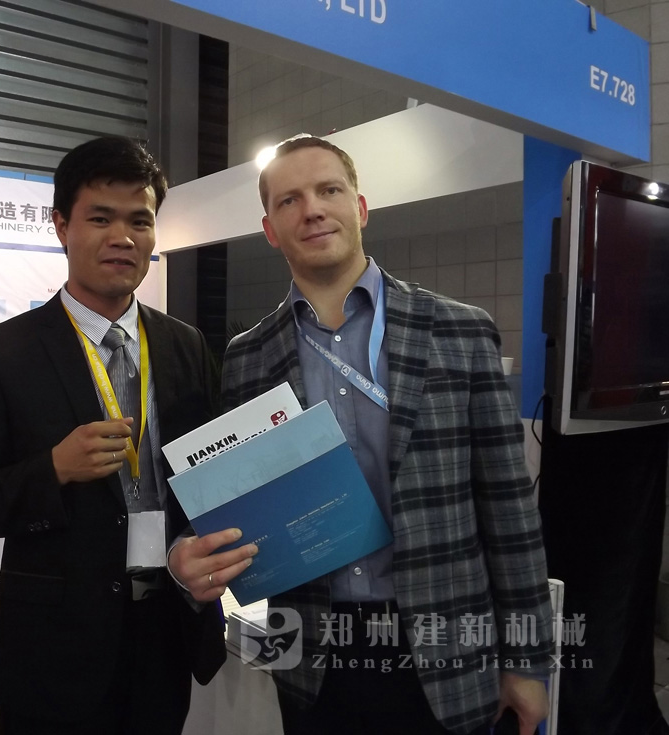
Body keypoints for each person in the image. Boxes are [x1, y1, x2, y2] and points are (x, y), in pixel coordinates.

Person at [168, 134, 554, 735]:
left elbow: (510, 509)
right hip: (316, 656)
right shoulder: (249, 356)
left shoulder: (459, 330)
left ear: (361, 207)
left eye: (329, 190)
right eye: (289, 200)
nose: (312, 210)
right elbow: (250, 502)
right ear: (270, 229)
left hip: (448, 648)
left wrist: (528, 662)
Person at [0, 136, 226, 735]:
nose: (123, 237)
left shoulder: (185, 345)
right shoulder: (1, 353)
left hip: (165, 631)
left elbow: (206, 476)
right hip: (56, 645)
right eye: (100, 218)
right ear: (61, 226)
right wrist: (52, 469)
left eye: (139, 221)